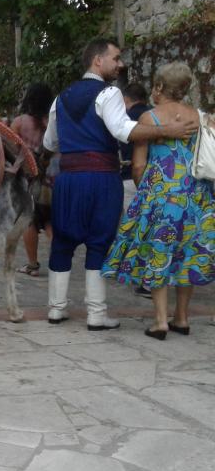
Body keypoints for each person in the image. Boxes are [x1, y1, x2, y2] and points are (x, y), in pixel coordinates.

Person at [43, 38, 198, 330]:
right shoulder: (109, 92)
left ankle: (56, 309)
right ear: (97, 60)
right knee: (99, 241)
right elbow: (122, 130)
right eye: (116, 58)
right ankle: (96, 314)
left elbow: (49, 142)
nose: (121, 64)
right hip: (101, 177)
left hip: (68, 179)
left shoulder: (61, 97)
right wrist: (169, 129)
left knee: (62, 241)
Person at [102, 62, 215, 340]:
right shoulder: (200, 117)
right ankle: (182, 318)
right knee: (188, 254)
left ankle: (161, 321)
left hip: (161, 195)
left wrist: (146, 194)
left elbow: (139, 165)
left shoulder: (150, 118)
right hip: (197, 195)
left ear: (160, 87)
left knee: (159, 253)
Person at [11, 83, 55, 277]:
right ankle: (59, 262)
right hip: (51, 180)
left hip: (27, 180)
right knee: (49, 221)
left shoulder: (20, 122)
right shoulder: (52, 123)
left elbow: (11, 150)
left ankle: (32, 265)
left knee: (29, 221)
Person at [121, 82, 153, 298]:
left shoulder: (126, 118)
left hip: (131, 176)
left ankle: (143, 276)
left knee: (135, 230)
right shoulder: (155, 116)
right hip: (158, 179)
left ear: (126, 99)